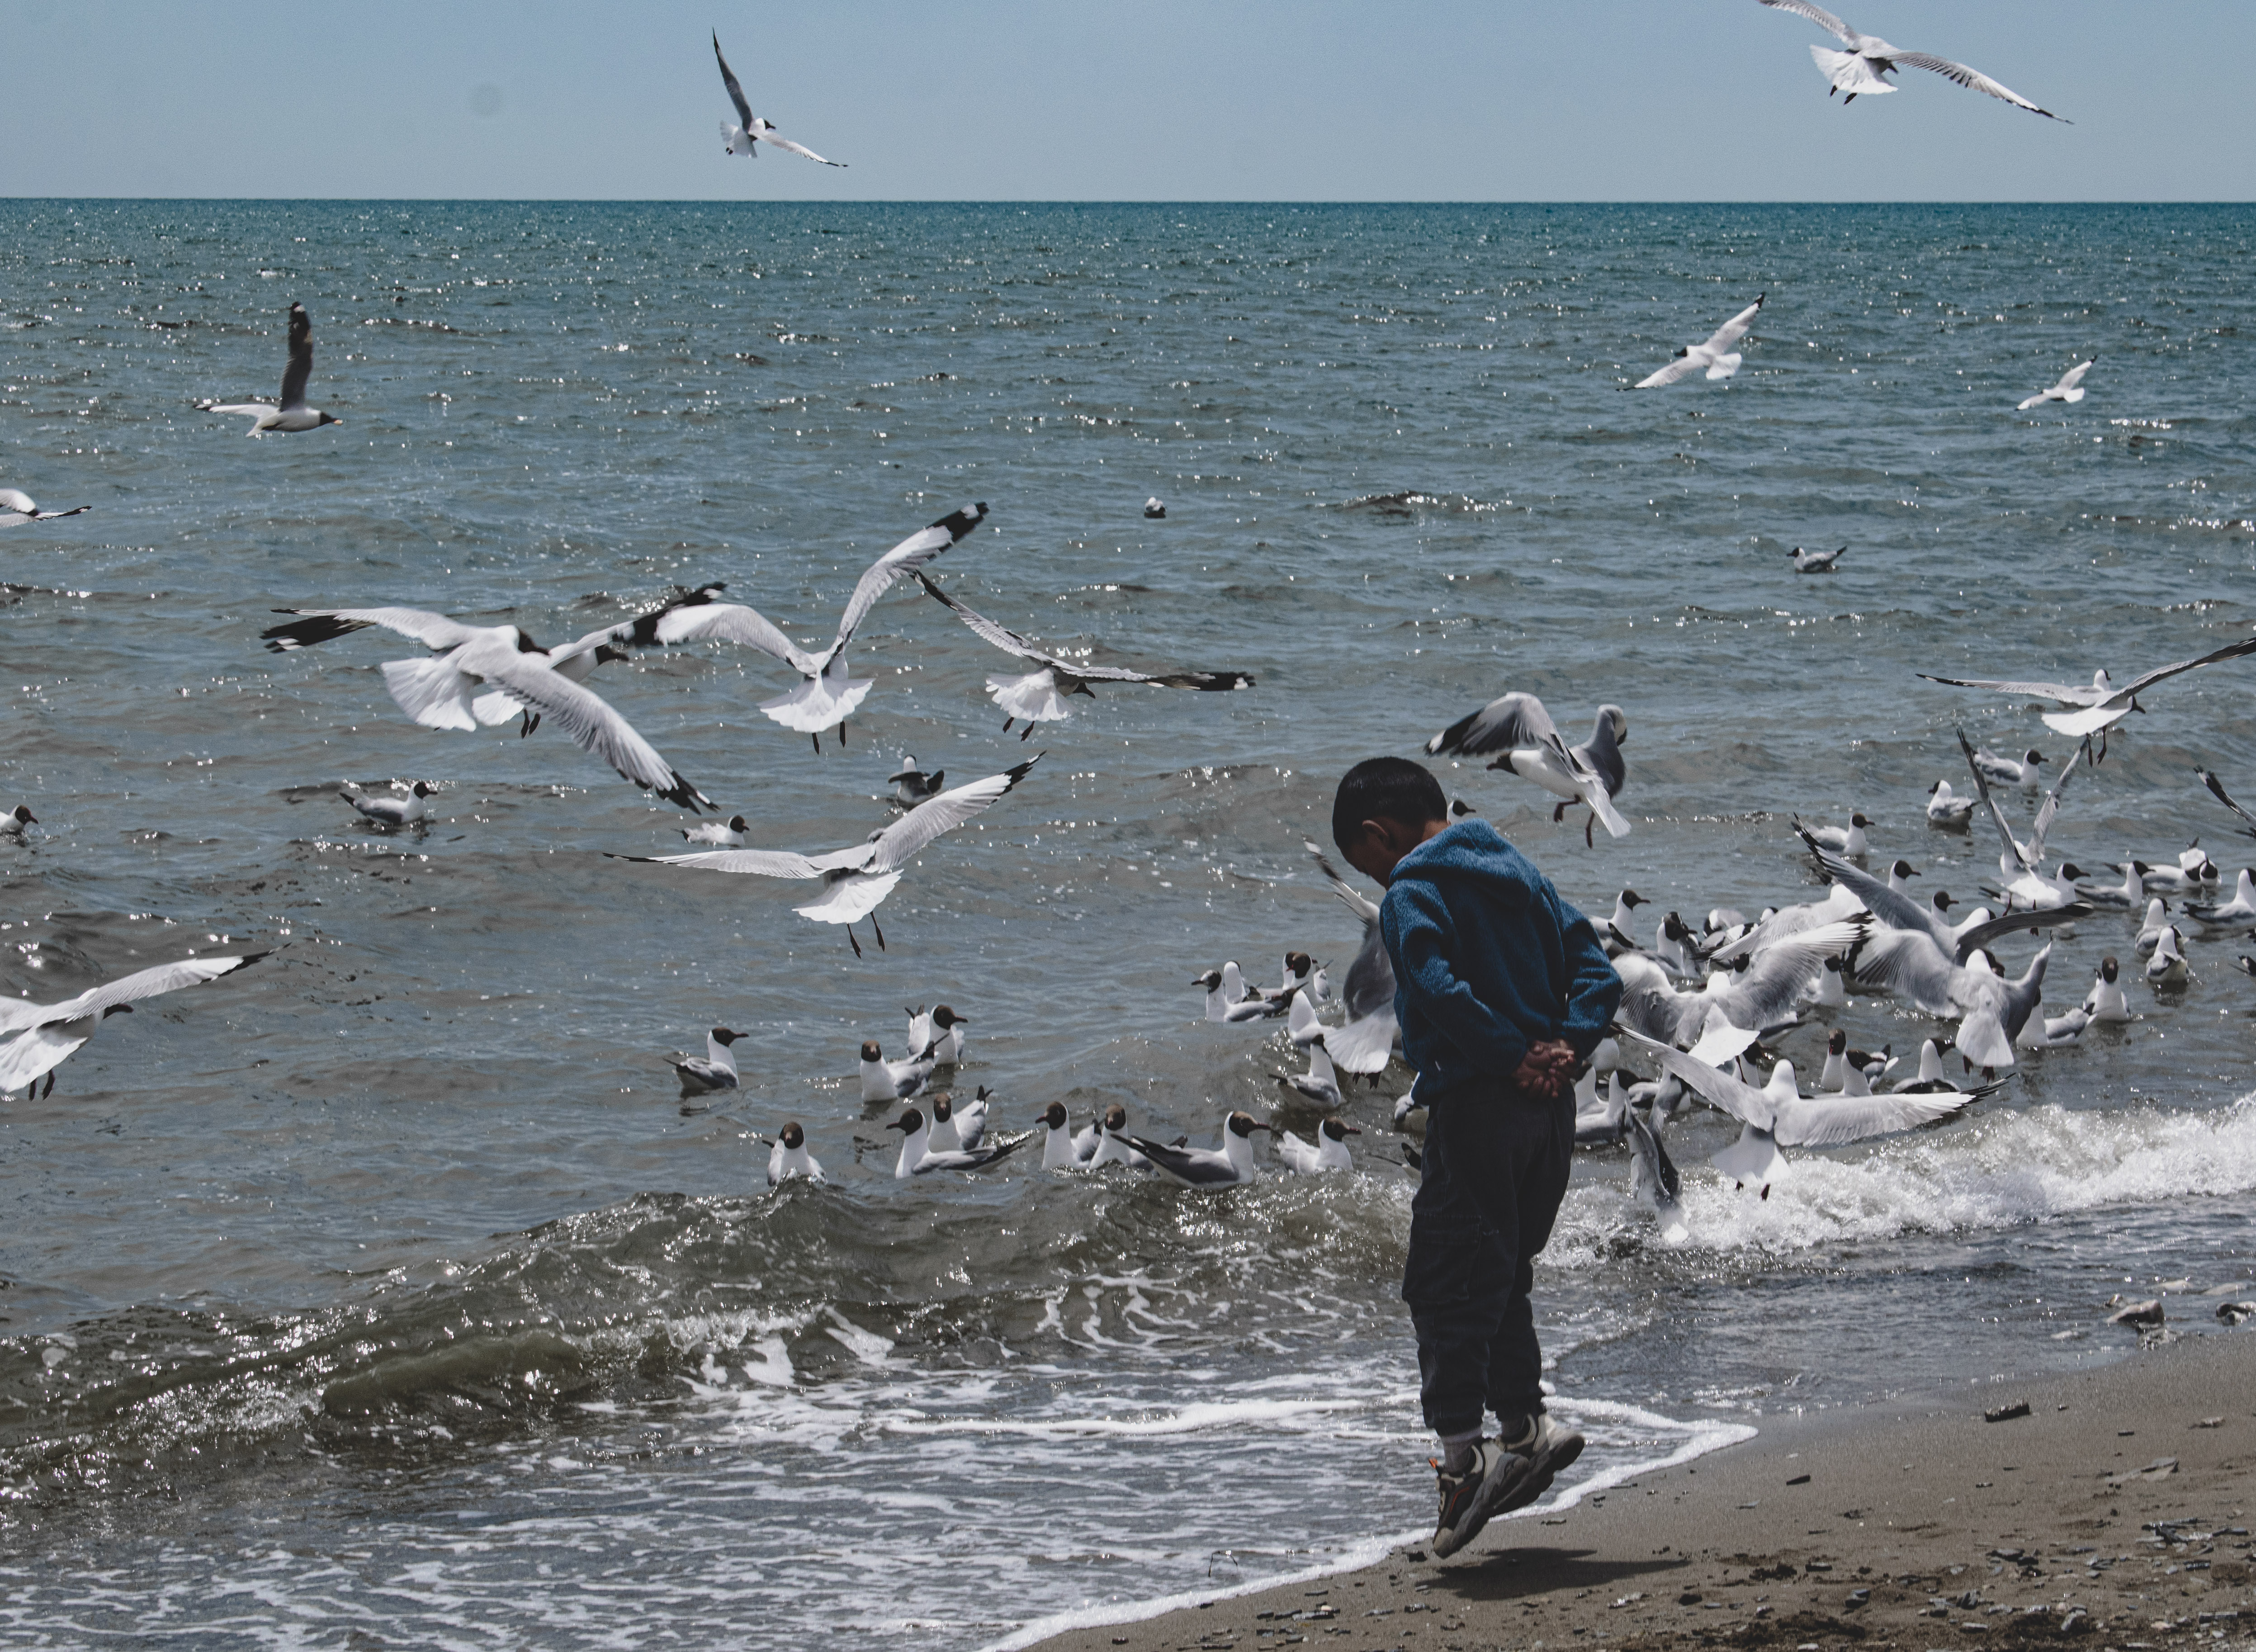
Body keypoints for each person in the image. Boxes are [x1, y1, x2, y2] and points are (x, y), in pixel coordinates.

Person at [1333, 756, 1622, 1559]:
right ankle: (1526, 1428)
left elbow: (1432, 987)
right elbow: (1597, 969)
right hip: (1550, 1116)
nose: (1374, 874)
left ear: (1374, 833)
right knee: (1500, 1271)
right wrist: (1566, 1045)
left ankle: (1462, 1460)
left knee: (1445, 1281)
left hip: (1479, 1106)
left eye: (1366, 863)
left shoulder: (1412, 890)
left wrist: (1507, 1057)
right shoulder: (1520, 871)